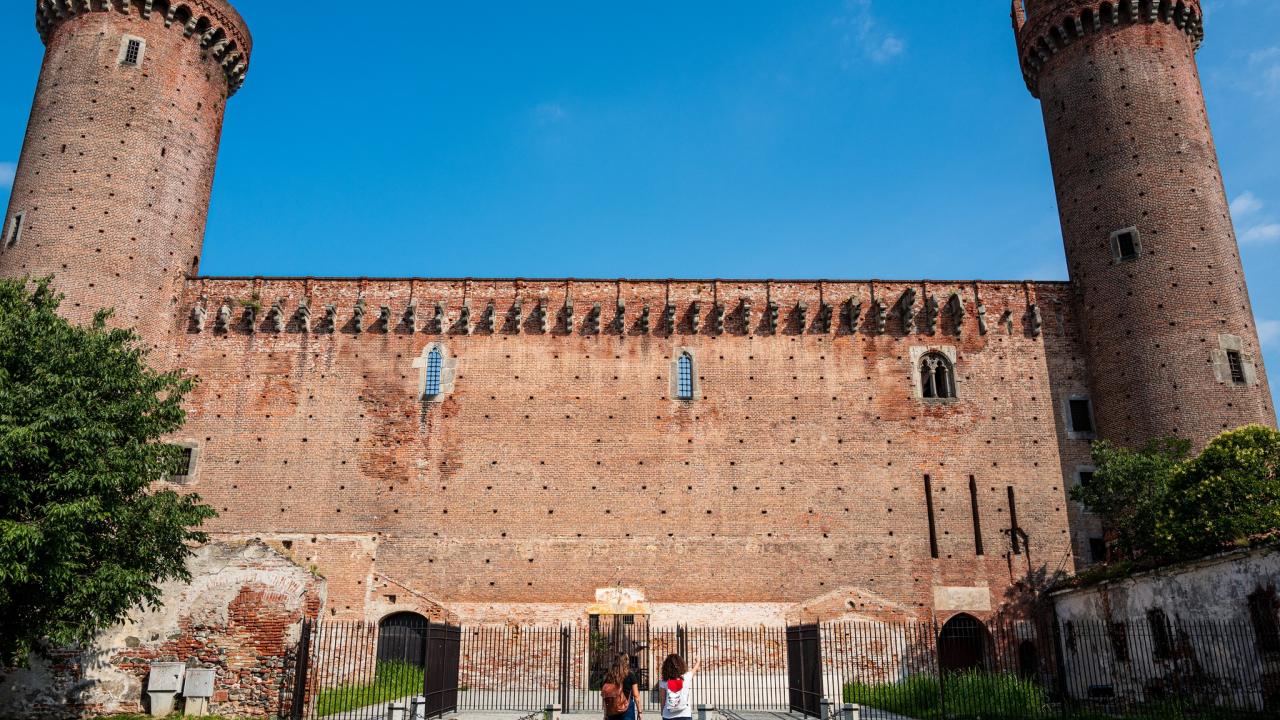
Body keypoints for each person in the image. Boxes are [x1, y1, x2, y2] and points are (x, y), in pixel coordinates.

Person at [659, 654, 700, 720]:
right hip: (685, 714)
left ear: (666, 667)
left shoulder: (664, 680)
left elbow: (662, 698)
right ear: (681, 665)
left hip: (668, 715)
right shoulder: (687, 677)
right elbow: (695, 669)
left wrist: (662, 711)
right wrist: (698, 661)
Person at [602, 653, 642, 720]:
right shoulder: (630, 675)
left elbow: (606, 696)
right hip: (627, 708)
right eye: (627, 659)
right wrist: (639, 712)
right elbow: (636, 695)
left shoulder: (609, 676)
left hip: (612, 708)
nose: (628, 661)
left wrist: (605, 713)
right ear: (625, 661)